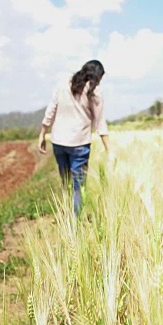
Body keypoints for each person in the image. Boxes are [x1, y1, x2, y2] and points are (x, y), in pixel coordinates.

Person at [38, 60, 110, 216]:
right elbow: (100, 122)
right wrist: (108, 149)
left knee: (65, 182)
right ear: (97, 76)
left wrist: (42, 133)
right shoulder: (94, 91)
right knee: (79, 186)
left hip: (58, 142)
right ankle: (75, 223)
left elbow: (51, 110)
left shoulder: (63, 83)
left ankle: (65, 213)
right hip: (79, 145)